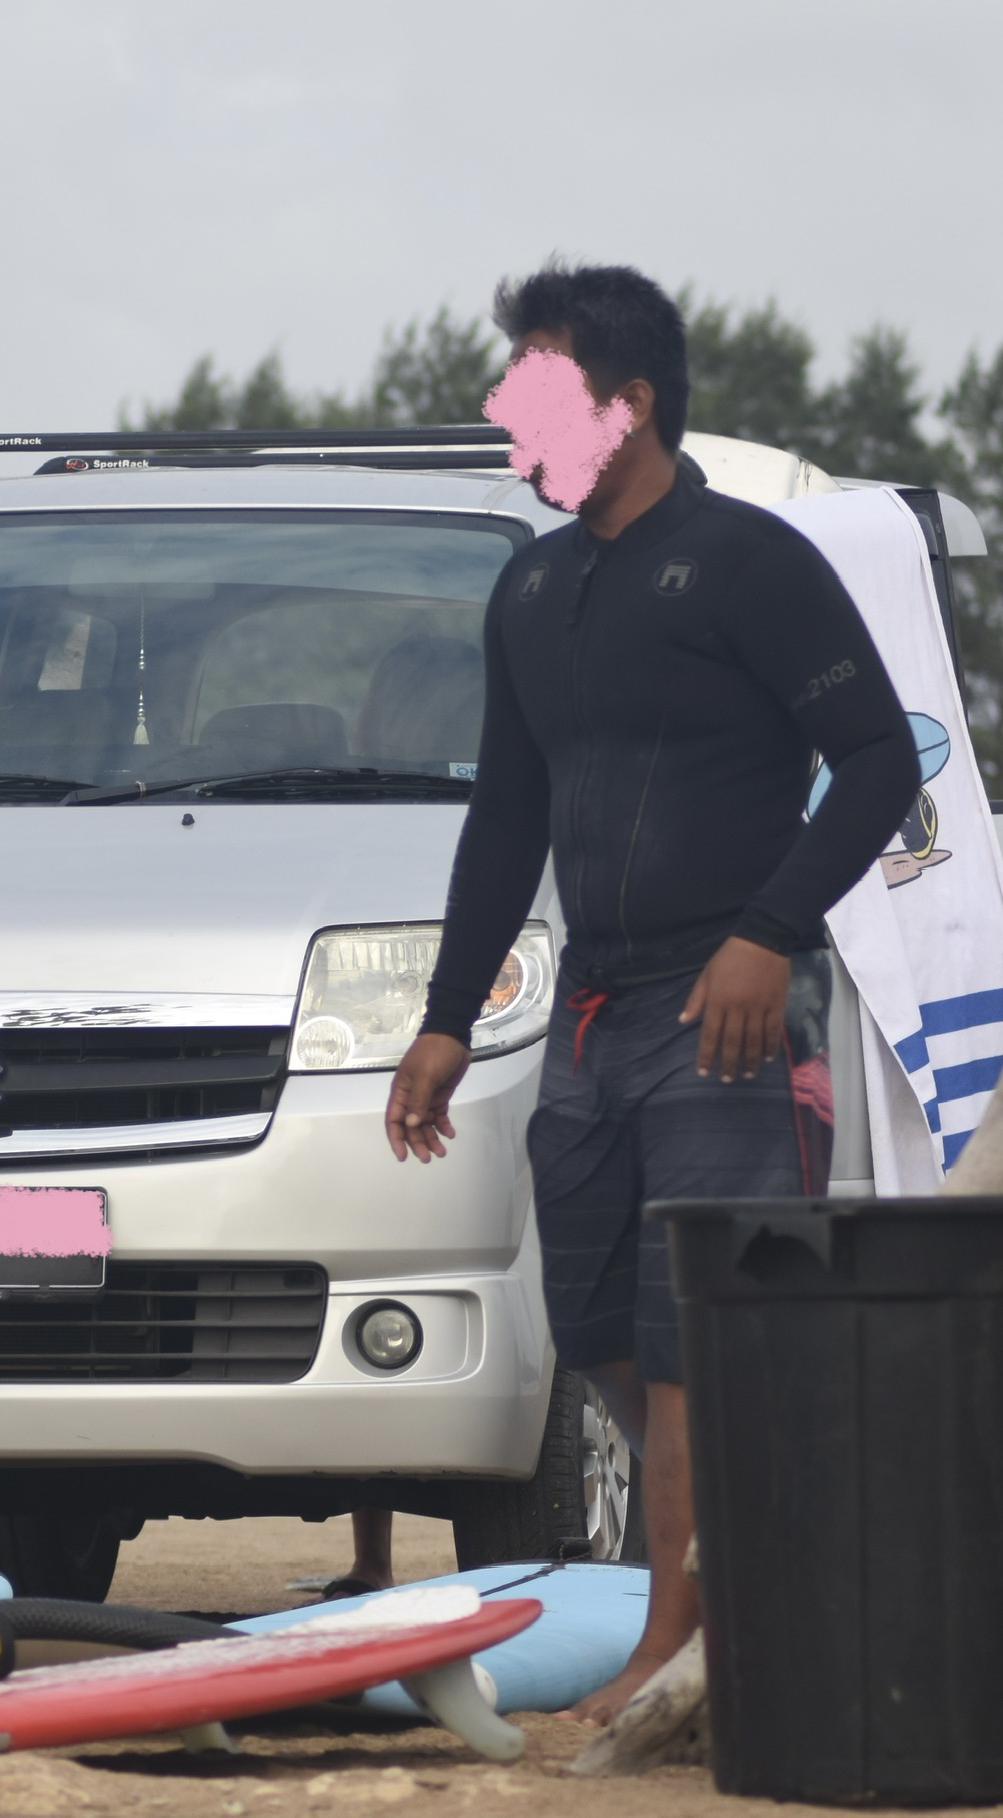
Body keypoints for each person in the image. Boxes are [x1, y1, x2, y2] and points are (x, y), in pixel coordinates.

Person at [383, 262, 917, 1725]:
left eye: (534, 383)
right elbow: (506, 815)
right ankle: (734, 1586)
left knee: (693, 1338)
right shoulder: (532, 584)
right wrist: (443, 1017)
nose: (505, 409)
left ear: (624, 404)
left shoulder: (747, 561)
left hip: (727, 1012)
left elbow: (880, 758)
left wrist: (769, 932)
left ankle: (676, 1649)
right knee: (599, 1322)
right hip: (591, 1017)